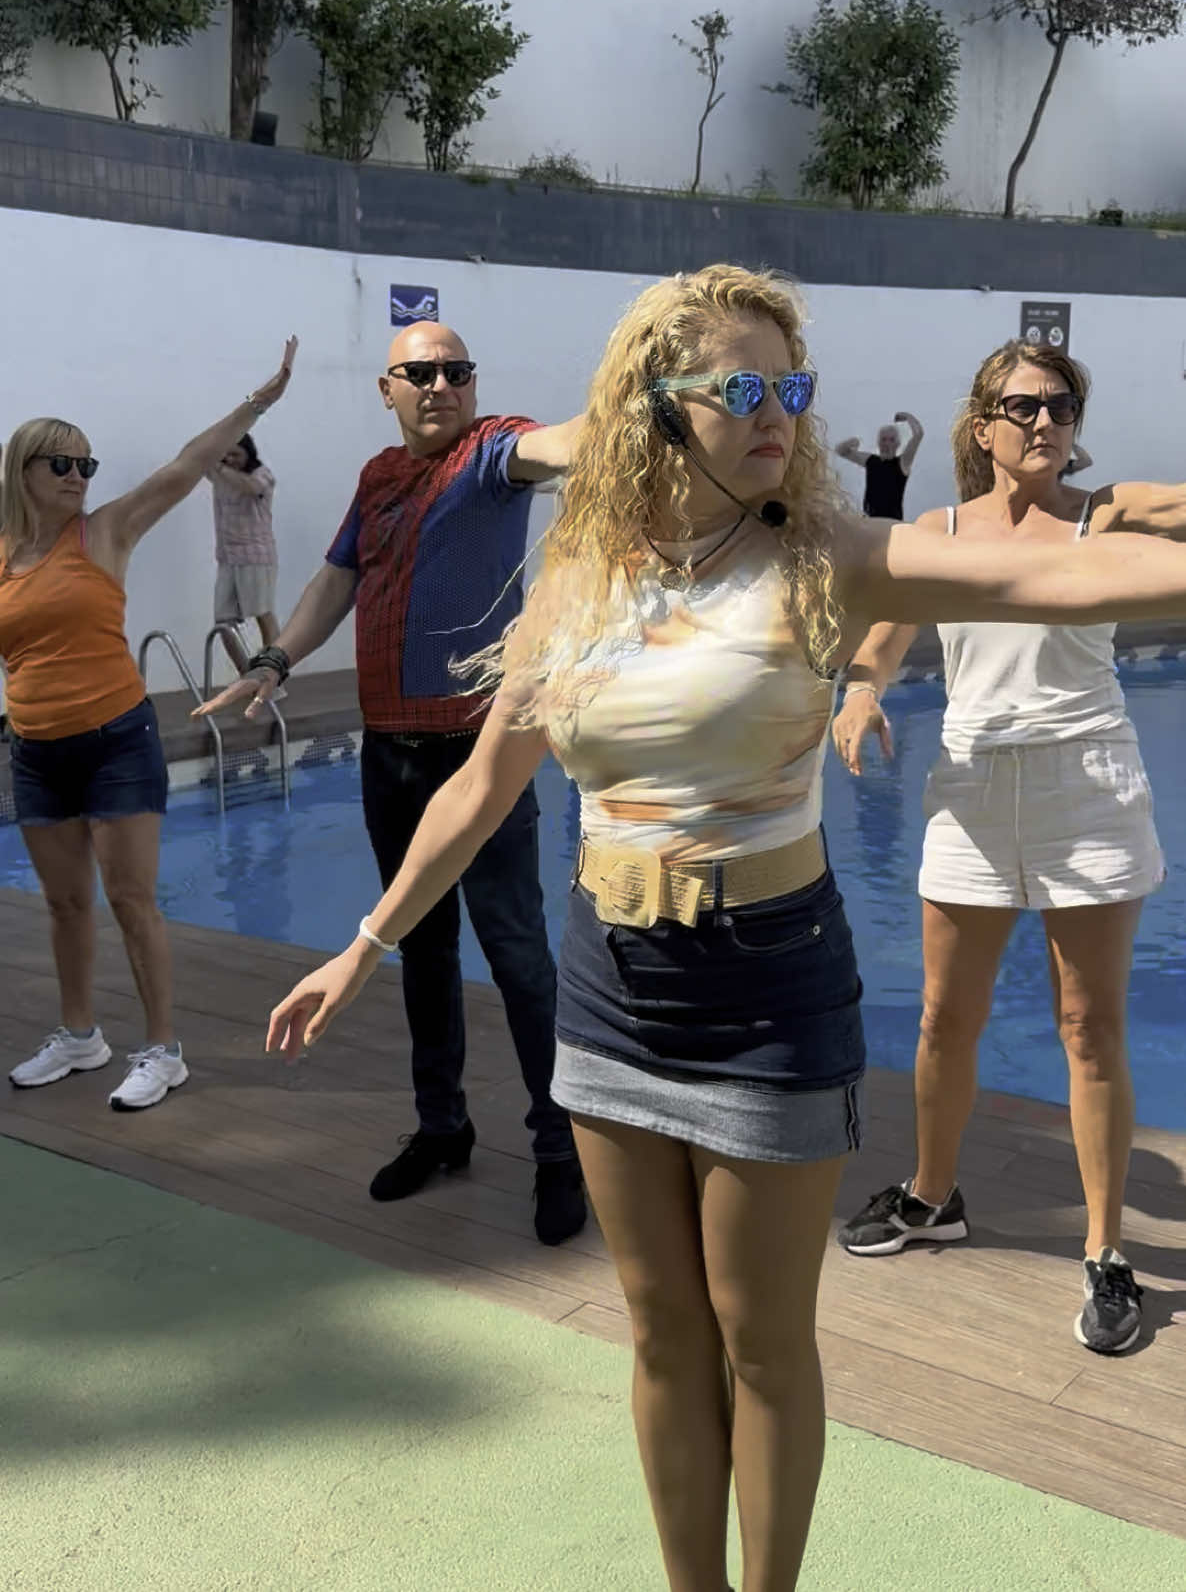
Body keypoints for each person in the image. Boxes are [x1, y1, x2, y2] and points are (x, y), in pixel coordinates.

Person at [258, 268, 1186, 1592]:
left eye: (789, 388)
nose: (776, 414)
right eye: (741, 388)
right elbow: (481, 788)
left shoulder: (823, 552)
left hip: (767, 988)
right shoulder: (577, 576)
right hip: (609, 987)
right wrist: (366, 939)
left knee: (760, 1340)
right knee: (659, 1337)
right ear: (661, 403)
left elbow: (1068, 581)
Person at [197, 321, 587, 1245]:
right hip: (392, 755)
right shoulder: (376, 478)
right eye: (421, 372)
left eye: (455, 371)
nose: (440, 384)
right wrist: (275, 659)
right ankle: (443, 1124)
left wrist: (640, 394)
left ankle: (559, 1144)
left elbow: (566, 444)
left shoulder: (495, 453)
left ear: (472, 383)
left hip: (476, 756)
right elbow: (339, 580)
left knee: (521, 956)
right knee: (422, 948)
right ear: (388, 387)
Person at [833, 338, 1186, 1356]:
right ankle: (929, 1195)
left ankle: (1106, 1250)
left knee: (1090, 1028)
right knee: (945, 1015)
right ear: (980, 421)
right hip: (975, 786)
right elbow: (890, 627)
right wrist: (861, 688)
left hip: (1087, 785)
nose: (1044, 421)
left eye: (1061, 404)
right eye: (1022, 404)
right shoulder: (938, 530)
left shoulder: (1104, 514)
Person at [2, 339, 297, 1110]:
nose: (77, 476)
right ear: (23, 470)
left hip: (115, 742)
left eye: (86, 465)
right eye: (61, 464)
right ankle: (79, 1035)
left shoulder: (105, 531)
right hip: (34, 750)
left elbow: (188, 462)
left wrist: (256, 403)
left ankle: (163, 1049)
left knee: (131, 899)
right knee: (66, 904)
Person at [209, 430, 282, 686]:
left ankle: (274, 676)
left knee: (263, 613)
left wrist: (217, 466)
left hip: (255, 555)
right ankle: (248, 678)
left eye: (235, 454)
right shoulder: (219, 474)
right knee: (223, 621)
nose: (230, 459)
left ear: (248, 453)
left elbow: (251, 487)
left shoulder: (261, 474)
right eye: (226, 454)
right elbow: (192, 462)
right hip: (228, 557)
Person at [836, 410, 924, 519]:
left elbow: (918, 434)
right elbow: (840, 451)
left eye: (891, 440)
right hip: (870, 522)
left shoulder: (902, 463)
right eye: (884, 439)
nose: (887, 443)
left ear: (898, 444)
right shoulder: (871, 461)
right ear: (878, 442)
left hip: (891, 523)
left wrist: (907, 416)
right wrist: (852, 441)